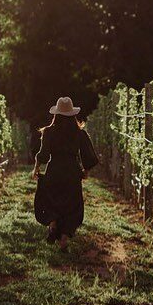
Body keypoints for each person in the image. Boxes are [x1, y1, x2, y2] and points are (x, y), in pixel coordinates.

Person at [32, 97, 99, 250]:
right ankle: (64, 236)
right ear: (72, 115)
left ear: (57, 114)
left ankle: (53, 221)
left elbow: (43, 154)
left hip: (54, 169)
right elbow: (88, 155)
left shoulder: (49, 132)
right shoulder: (79, 133)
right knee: (72, 206)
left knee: (51, 199)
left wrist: (36, 168)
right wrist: (85, 171)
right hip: (72, 171)